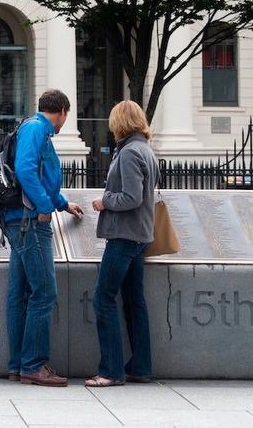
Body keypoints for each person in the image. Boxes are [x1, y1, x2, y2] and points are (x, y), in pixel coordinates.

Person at [4, 88, 84, 386]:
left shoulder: (31, 128)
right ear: (62, 112)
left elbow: (39, 176)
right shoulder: (38, 128)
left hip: (19, 219)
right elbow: (26, 169)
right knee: (45, 293)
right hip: (30, 222)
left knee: (20, 293)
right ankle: (33, 364)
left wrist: (62, 203)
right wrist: (45, 207)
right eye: (66, 116)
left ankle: (17, 365)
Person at [86, 100, 158, 387]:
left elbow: (131, 197)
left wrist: (104, 201)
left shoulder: (129, 153)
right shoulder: (145, 150)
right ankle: (140, 366)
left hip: (124, 235)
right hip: (140, 235)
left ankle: (111, 370)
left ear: (120, 123)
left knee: (103, 298)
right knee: (133, 301)